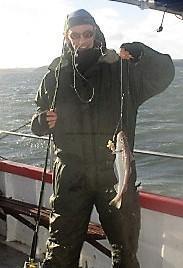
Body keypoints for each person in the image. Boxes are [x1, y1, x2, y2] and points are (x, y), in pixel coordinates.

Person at [31, 9, 175, 268]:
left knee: (125, 252)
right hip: (70, 175)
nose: (82, 40)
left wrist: (141, 52)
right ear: (67, 36)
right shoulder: (56, 75)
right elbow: (38, 115)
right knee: (60, 252)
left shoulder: (122, 70)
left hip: (115, 172)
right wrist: (40, 122)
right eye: (75, 35)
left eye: (87, 33)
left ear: (96, 33)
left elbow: (164, 73)